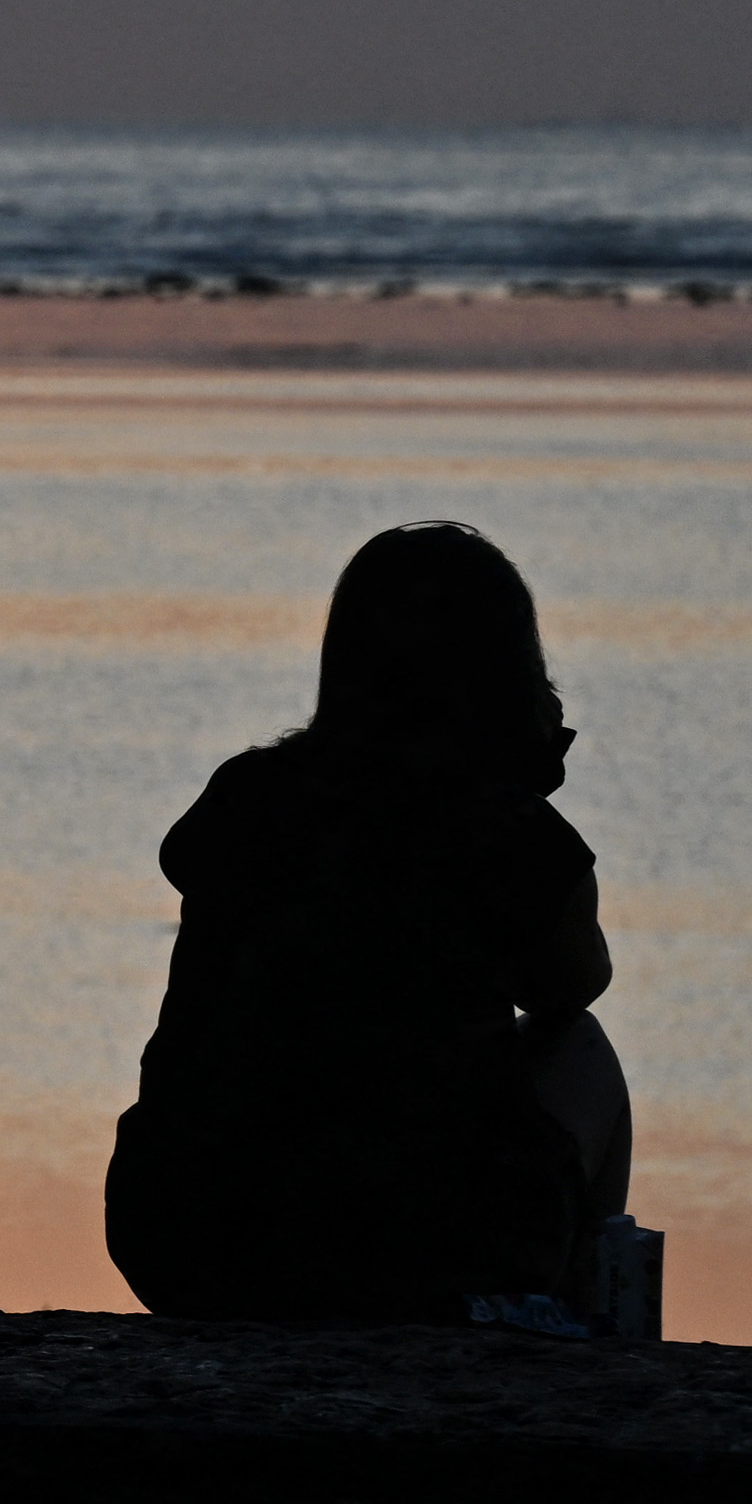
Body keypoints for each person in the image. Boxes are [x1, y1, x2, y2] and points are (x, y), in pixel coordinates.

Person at [106, 523, 626, 1329]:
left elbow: (186, 859)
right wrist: (519, 781)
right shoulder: (504, 830)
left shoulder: (247, 796)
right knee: (582, 1050)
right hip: (413, 1250)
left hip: (180, 1232)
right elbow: (572, 983)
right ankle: (561, 1326)